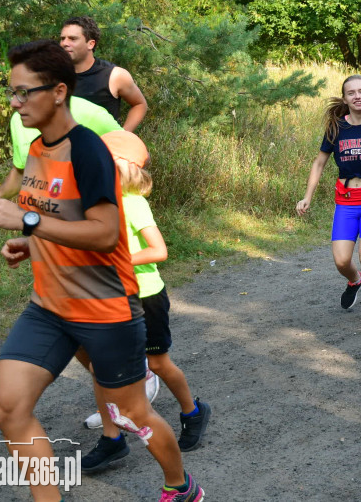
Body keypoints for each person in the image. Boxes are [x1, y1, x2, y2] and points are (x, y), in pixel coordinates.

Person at [0, 39, 203, 502]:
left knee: (131, 413)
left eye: (24, 92)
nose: (15, 103)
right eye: (11, 93)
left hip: (104, 310)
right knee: (8, 407)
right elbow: (58, 219)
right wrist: (28, 240)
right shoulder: (39, 147)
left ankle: (181, 487)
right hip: (48, 306)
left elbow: (103, 233)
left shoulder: (89, 151)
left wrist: (28, 220)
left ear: (58, 91)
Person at [80, 130, 210, 473]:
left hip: (145, 296)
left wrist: (118, 259)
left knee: (158, 365)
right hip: (107, 296)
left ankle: (193, 412)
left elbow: (159, 250)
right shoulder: (96, 204)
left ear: (120, 165)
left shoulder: (134, 203)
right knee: (100, 363)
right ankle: (113, 439)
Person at [297, 76, 361, 322]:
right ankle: (354, 280)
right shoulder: (336, 128)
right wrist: (307, 197)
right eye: (351, 93)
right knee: (341, 260)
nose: (357, 96)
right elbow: (319, 164)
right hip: (346, 202)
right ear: (345, 98)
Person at [0, 96, 122, 200]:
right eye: (14, 92)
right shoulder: (19, 120)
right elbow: (21, 172)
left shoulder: (90, 114)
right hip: (43, 220)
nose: (13, 103)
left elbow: (130, 151)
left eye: (24, 92)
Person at [60, 16, 148, 130]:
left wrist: (122, 136)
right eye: (62, 38)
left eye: (72, 39)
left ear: (90, 44)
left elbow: (140, 105)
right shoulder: (54, 74)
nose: (65, 43)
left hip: (102, 146)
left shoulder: (114, 76)